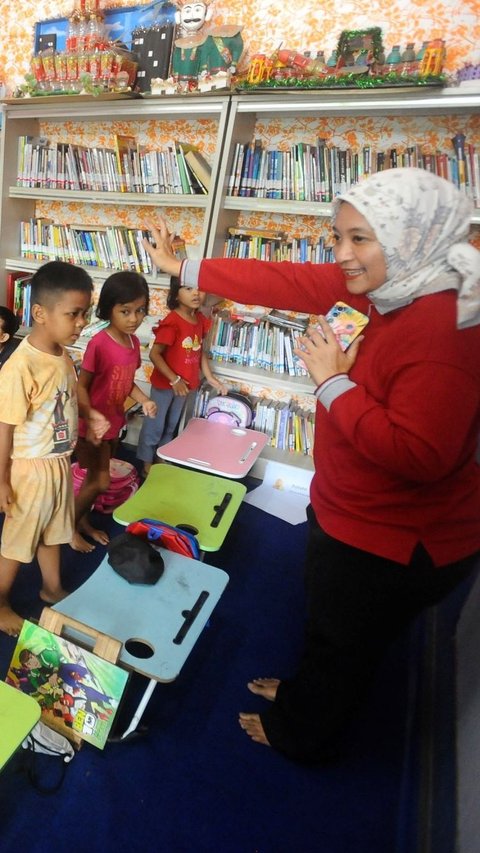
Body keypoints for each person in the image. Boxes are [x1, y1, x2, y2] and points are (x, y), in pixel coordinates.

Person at [140, 167, 480, 762]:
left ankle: (301, 733)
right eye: (338, 235)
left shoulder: (444, 330)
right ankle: (306, 692)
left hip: (395, 538)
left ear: (410, 236)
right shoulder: (395, 279)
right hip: (353, 509)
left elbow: (420, 457)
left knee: (343, 647)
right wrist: (184, 269)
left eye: (359, 238)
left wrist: (332, 383)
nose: (341, 254)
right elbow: (286, 278)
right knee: (330, 634)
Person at [0, 261, 93, 637]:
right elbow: (3, 428)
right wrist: (2, 480)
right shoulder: (20, 367)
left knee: (55, 531)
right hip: (29, 469)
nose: (82, 322)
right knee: (18, 542)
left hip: (56, 463)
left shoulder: (60, 354)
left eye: (85, 314)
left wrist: (92, 416)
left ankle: (50, 588)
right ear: (39, 313)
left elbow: (68, 397)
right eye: (74, 314)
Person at [72, 271, 157, 553]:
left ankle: (80, 521)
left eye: (140, 310)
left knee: (91, 482)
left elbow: (126, 382)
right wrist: (90, 418)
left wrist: (144, 400)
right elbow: (81, 386)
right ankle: (68, 527)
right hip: (92, 428)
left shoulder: (133, 343)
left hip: (114, 425)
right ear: (109, 309)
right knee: (99, 480)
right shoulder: (99, 343)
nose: (134, 319)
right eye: (125, 311)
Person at [136, 275, 227, 477]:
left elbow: (199, 350)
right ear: (176, 294)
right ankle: (145, 461)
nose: (195, 293)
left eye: (199, 288)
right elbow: (155, 354)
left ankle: (162, 455)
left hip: (185, 385)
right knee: (155, 425)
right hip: (166, 384)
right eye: (187, 288)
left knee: (171, 425)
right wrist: (174, 379)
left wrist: (211, 378)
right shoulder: (172, 322)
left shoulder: (200, 320)